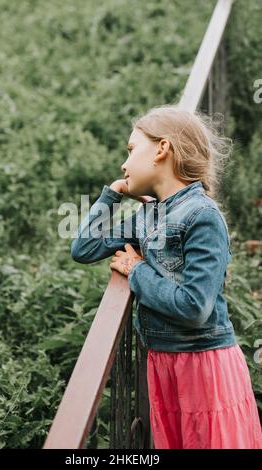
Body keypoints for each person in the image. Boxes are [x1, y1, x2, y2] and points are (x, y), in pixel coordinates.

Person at [70, 104, 262, 449]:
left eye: (131, 150)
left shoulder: (202, 216)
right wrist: (112, 195)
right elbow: (83, 248)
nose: (124, 164)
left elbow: (194, 307)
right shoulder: (149, 215)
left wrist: (136, 269)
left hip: (203, 365)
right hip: (165, 363)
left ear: (162, 149)